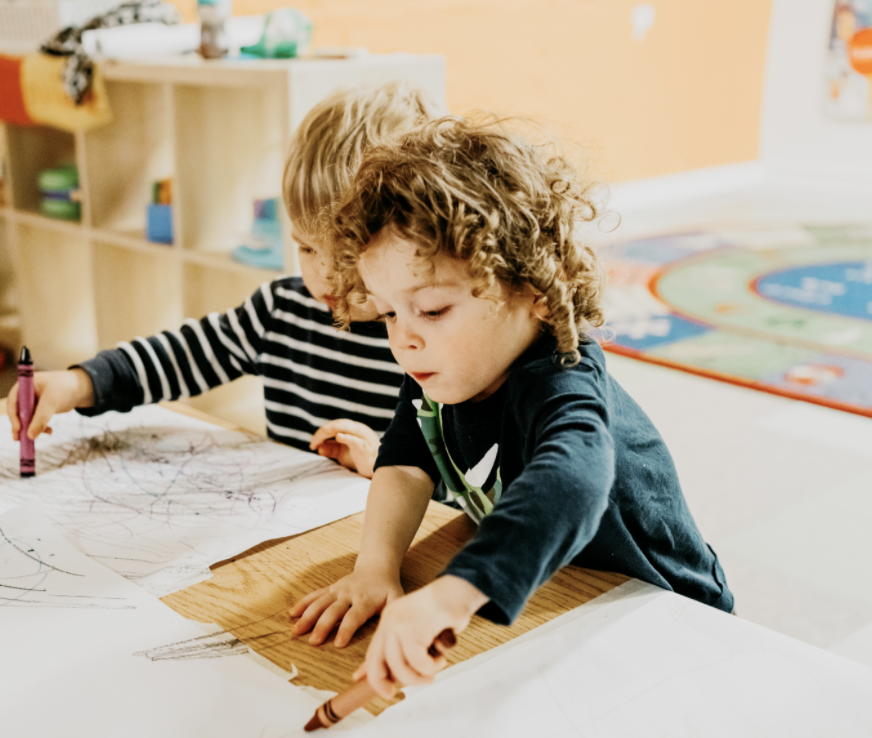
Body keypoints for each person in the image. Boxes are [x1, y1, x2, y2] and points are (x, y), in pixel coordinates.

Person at [289, 117, 734, 695]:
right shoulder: (439, 369)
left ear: (536, 293)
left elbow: (572, 483)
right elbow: (404, 462)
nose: (404, 340)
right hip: (557, 601)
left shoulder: (562, 374)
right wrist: (375, 568)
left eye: (431, 310)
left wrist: (455, 591)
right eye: (390, 312)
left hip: (662, 614)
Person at [5, 81, 444, 478]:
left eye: (346, 253)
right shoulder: (280, 312)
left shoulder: (426, 343)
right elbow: (183, 354)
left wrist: (386, 466)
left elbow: (471, 490)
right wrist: (79, 383)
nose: (323, 273)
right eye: (306, 248)